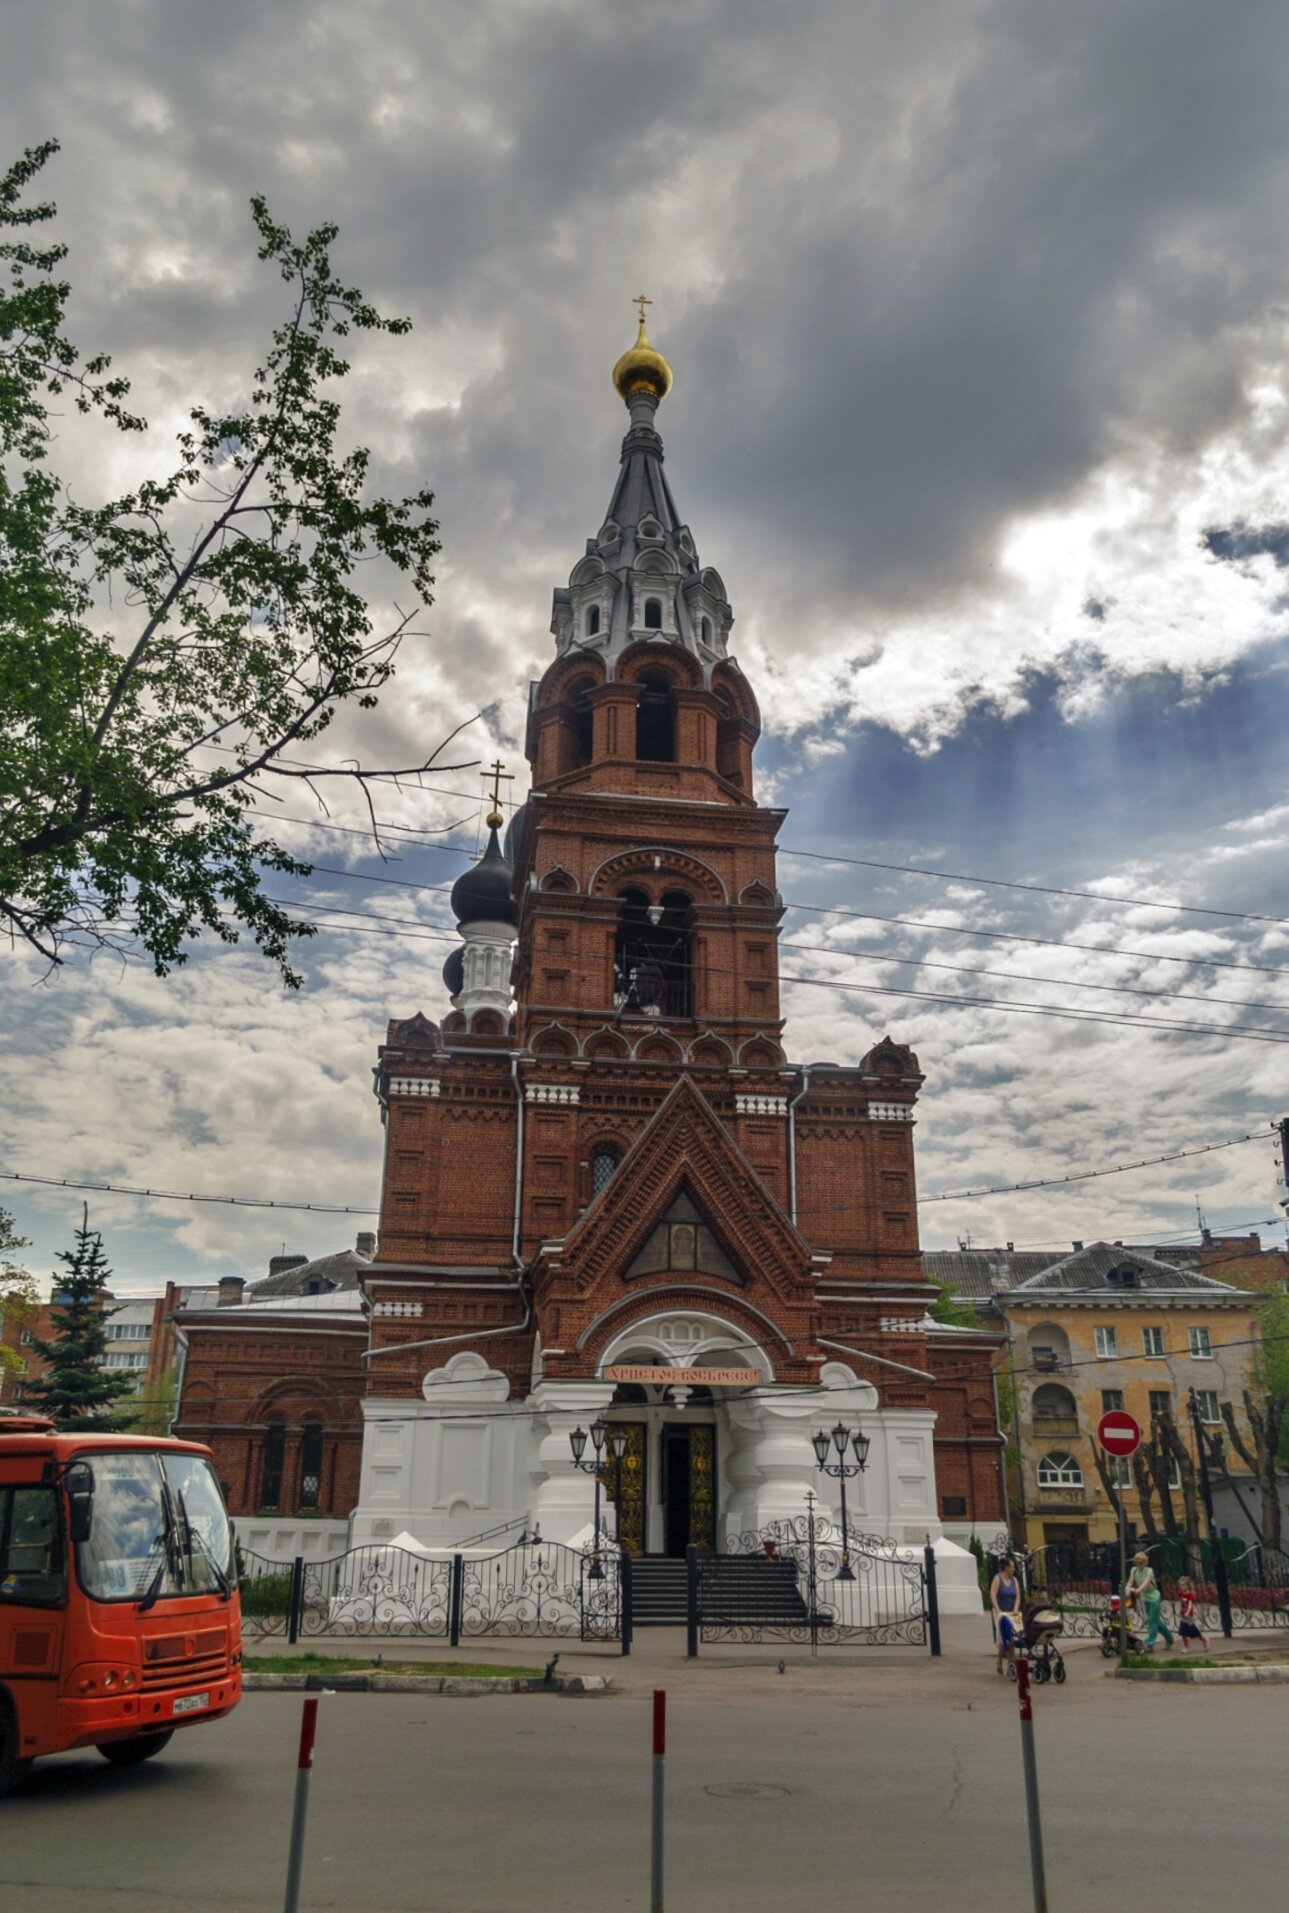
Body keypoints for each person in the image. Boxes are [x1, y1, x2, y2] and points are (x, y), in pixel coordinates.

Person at [1127, 1551, 1174, 1651]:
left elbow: (1146, 1582)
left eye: (1141, 1563)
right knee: (1156, 1621)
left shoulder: (1149, 1571)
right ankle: (1169, 1639)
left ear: (1145, 1563)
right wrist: (1127, 1590)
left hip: (1154, 1597)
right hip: (1146, 1598)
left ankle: (1149, 1643)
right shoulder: (1134, 1570)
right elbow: (1130, 1581)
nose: (1139, 1565)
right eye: (1137, 1563)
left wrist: (1138, 1590)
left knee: (1152, 1621)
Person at [990, 1554, 1021, 1673]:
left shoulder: (1014, 1580)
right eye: (1012, 1567)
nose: (1014, 1569)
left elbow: (1017, 1595)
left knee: (1012, 1638)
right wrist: (998, 1610)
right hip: (1001, 1613)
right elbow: (993, 1594)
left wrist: (1016, 1608)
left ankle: (1011, 1664)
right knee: (1003, 1639)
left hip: (1011, 1612)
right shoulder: (998, 1579)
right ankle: (999, 1661)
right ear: (1006, 1568)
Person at [1176, 1576, 1208, 1651]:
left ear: (1187, 1585)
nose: (1182, 1587)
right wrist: (1180, 1612)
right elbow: (1181, 1603)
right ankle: (1186, 1646)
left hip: (1189, 1617)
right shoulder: (1181, 1594)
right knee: (1183, 1631)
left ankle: (1204, 1640)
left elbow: (1190, 1605)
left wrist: (1187, 1612)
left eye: (1183, 1585)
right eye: (1180, 1585)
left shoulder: (1190, 1595)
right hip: (1183, 1616)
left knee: (1193, 1632)